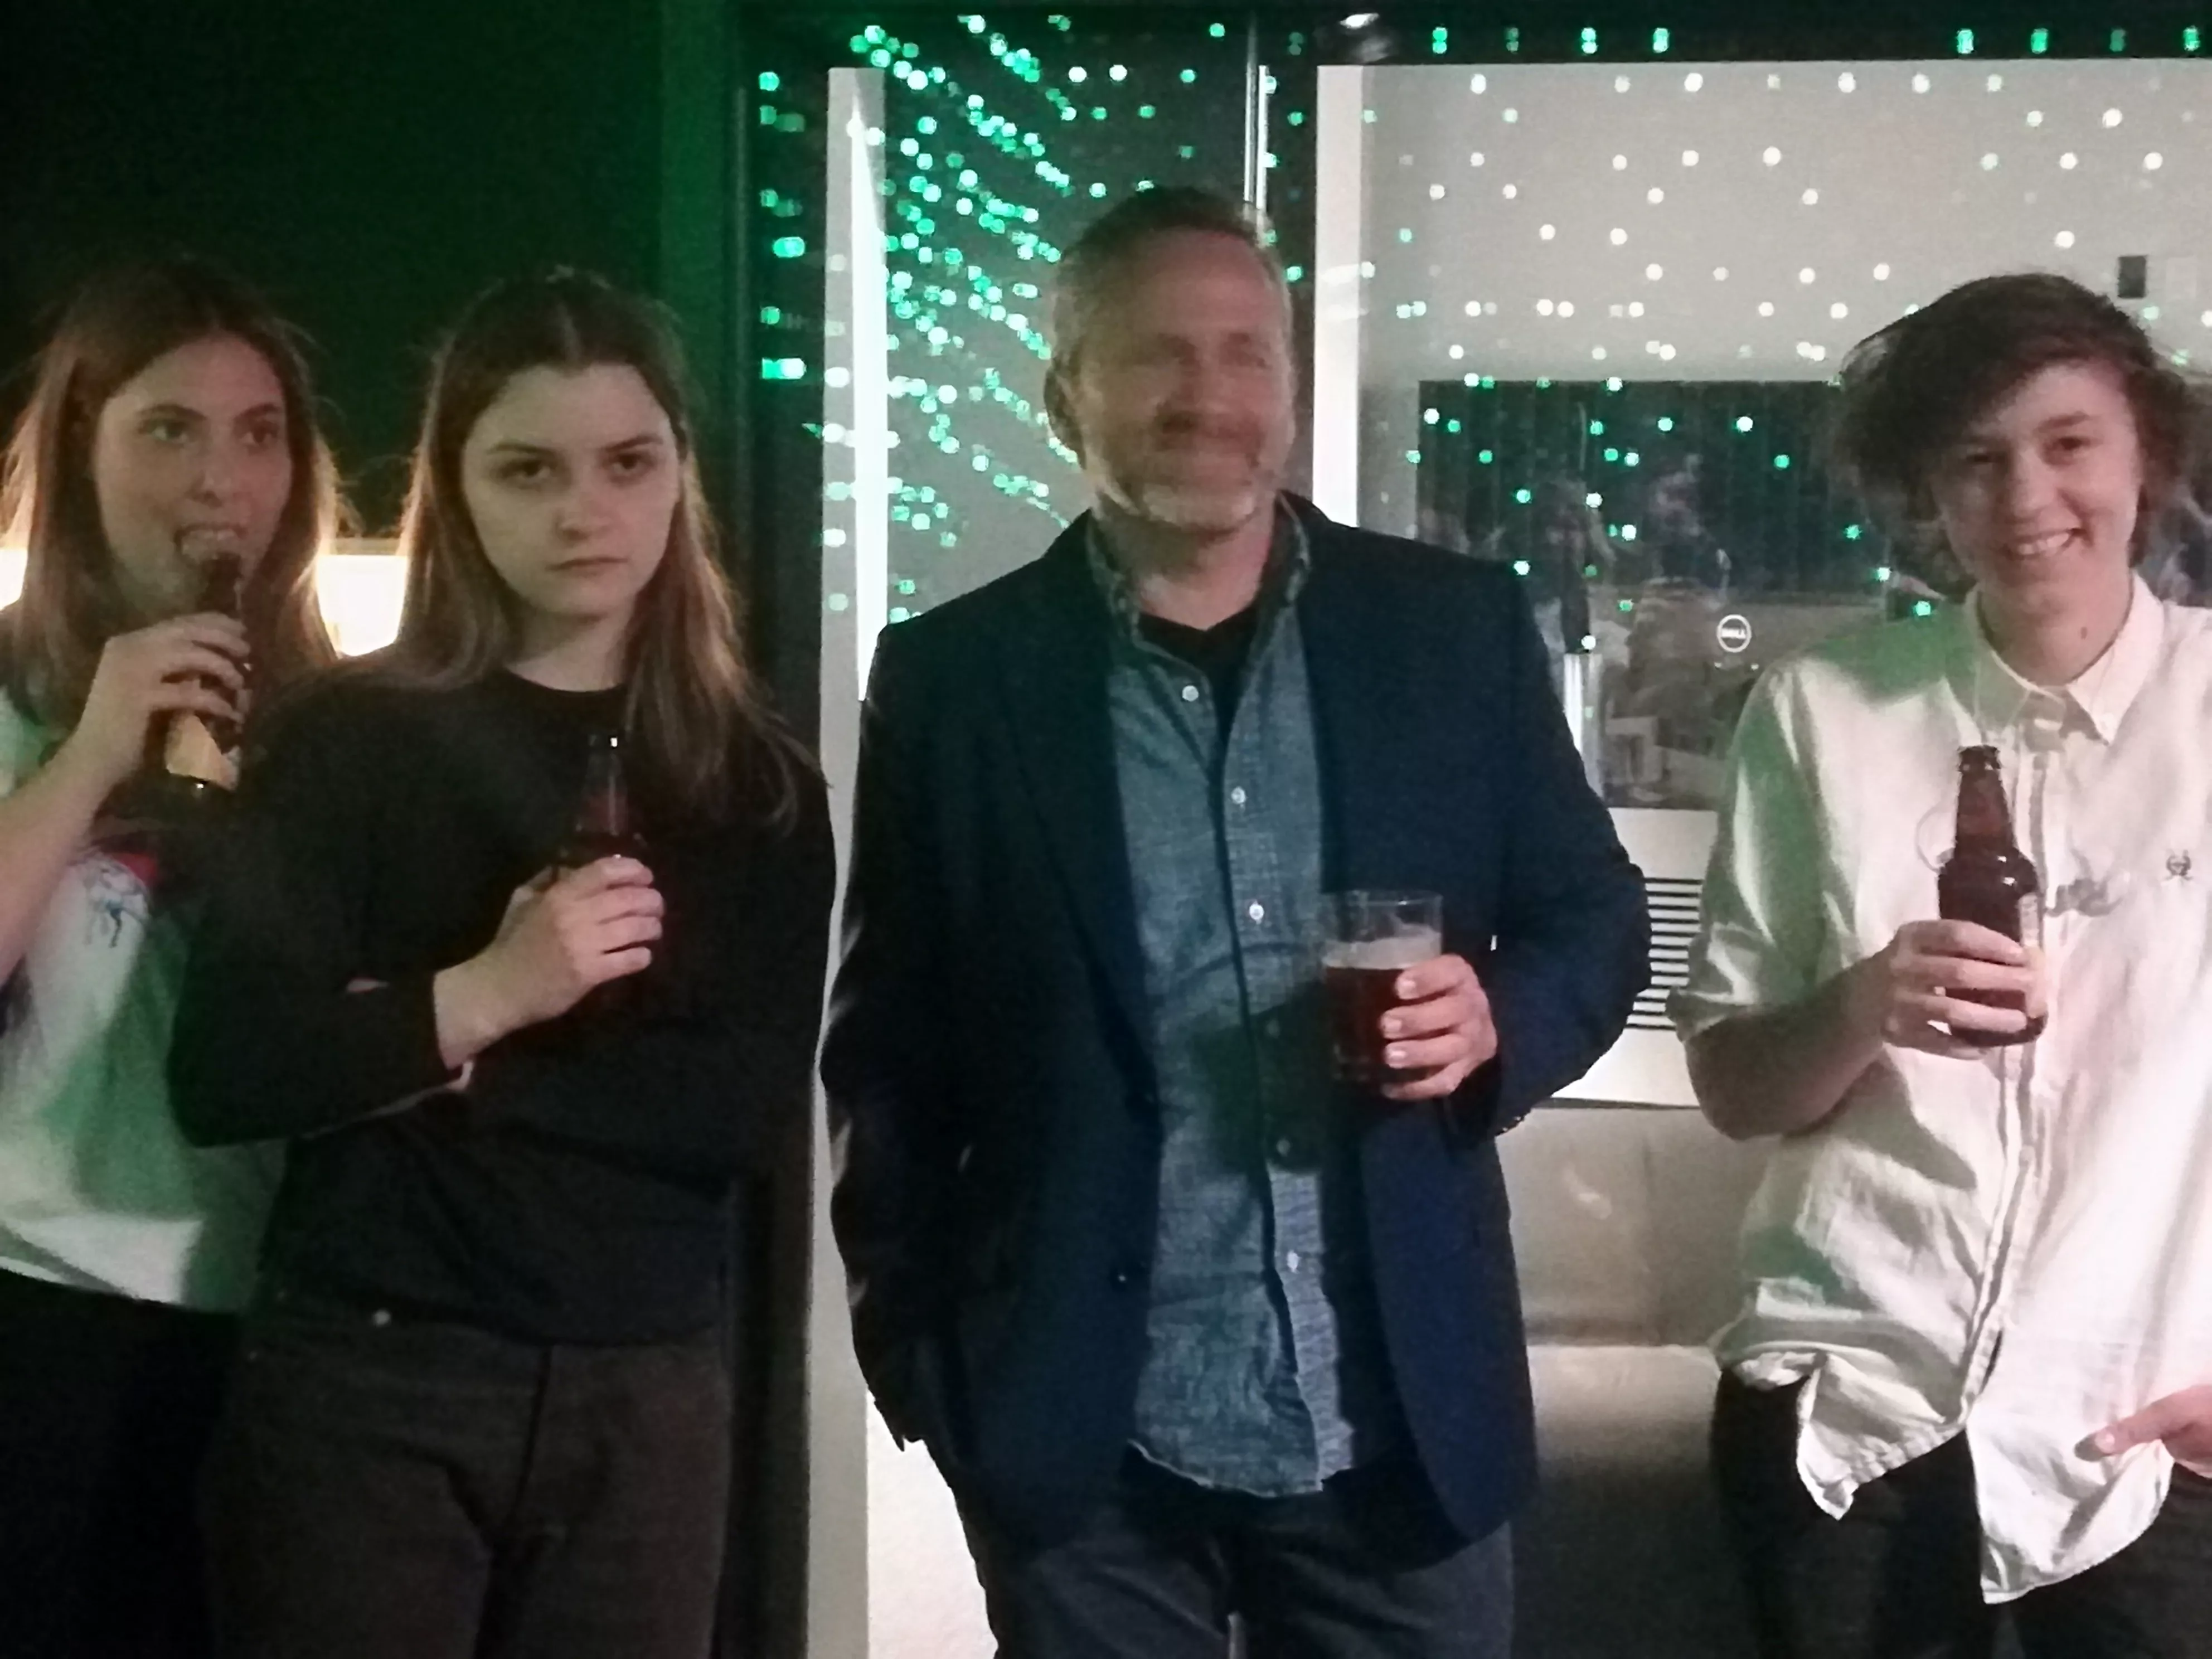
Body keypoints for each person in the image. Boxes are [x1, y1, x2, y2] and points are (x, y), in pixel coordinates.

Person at [823, 186, 1648, 1658]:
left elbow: (1593, 917)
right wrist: (925, 1362)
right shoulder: (952, 680)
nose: (1208, 396)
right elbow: (891, 1048)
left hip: (1397, 1418)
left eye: (1244, 352)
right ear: (1063, 397)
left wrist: (1498, 1022)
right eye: (1156, 353)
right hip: (1087, 1448)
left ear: (1289, 384)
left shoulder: (1451, 629)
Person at [167, 271, 833, 1659]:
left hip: (643, 1382)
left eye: (625, 464)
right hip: (374, 1372)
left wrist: (430, 1054)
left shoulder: (753, 781)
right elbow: (230, 1071)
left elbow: (737, 1115)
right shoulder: (347, 740)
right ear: (457, 486)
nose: (582, 511)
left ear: (679, 476)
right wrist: (493, 992)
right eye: (529, 469)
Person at [1677, 271, 2212, 1657]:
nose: (2026, 496)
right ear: (1930, 490)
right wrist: (1865, 1002)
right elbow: (1735, 1086)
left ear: (2145, 453)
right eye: (1976, 460)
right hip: (1852, 1415)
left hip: (2148, 1426)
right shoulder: (1825, 708)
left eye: (2068, 443)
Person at [0, 256, 338, 1658]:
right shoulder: (15, 691)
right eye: (169, 430)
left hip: (273, 1317)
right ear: (81, 451)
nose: (222, 481)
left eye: (259, 435)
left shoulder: (334, 723)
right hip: (38, 1302)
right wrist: (93, 748)